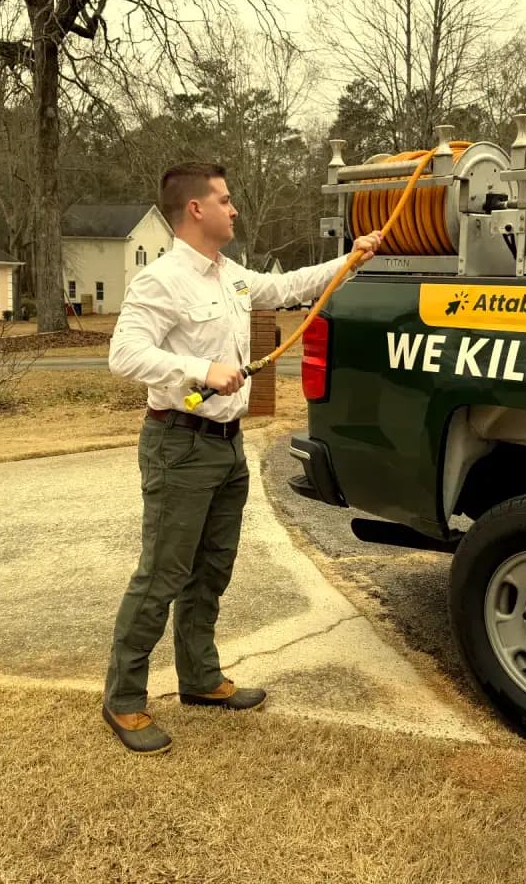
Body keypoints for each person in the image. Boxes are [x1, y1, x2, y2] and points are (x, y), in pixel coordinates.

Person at [101, 161, 381, 753]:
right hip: (179, 445)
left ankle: (200, 679)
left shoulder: (230, 275)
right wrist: (200, 369)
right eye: (225, 200)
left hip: (227, 447)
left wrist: (351, 258)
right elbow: (124, 355)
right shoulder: (161, 280)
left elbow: (289, 288)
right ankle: (123, 698)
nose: (234, 209)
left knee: (211, 570)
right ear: (195, 209)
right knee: (163, 574)